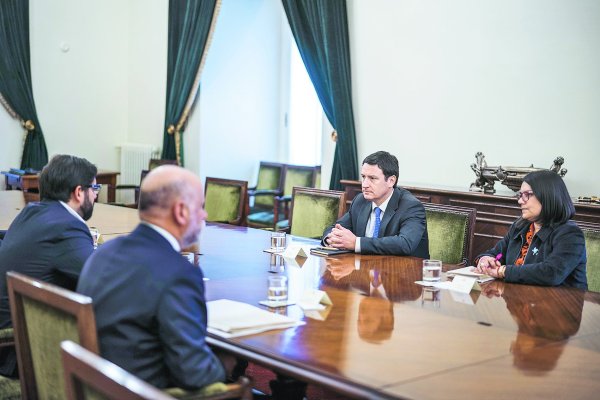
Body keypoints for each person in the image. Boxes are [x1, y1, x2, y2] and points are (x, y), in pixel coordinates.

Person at [77, 165, 234, 390]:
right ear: (181, 211)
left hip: (99, 387)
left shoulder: (102, 253)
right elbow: (194, 374)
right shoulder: (179, 272)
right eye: (200, 207)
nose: (205, 215)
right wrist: (225, 365)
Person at [0, 154, 98, 377]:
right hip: (25, 355)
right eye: (94, 188)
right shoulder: (67, 227)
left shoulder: (30, 212)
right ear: (78, 192)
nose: (95, 195)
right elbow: (100, 279)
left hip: (11, 343)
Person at [475, 170, 587, 289]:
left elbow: (551, 273)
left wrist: (502, 271)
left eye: (527, 194)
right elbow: (496, 253)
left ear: (547, 196)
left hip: (559, 303)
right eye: (520, 195)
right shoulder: (520, 227)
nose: (520, 201)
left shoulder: (570, 234)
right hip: (518, 299)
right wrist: (485, 259)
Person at [322, 151, 429, 257]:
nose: (365, 184)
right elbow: (336, 228)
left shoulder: (411, 206)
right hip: (365, 268)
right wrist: (332, 238)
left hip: (404, 270)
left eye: (372, 178)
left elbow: (405, 244)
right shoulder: (360, 200)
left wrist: (357, 243)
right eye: (363, 177)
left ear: (391, 181)